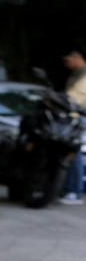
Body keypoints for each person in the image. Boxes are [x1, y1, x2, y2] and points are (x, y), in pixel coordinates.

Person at [59, 48, 86, 205]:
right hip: (73, 117)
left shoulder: (84, 75)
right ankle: (68, 188)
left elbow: (75, 98)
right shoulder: (77, 74)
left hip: (79, 118)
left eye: (67, 60)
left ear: (76, 56)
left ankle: (74, 191)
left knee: (73, 152)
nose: (66, 64)